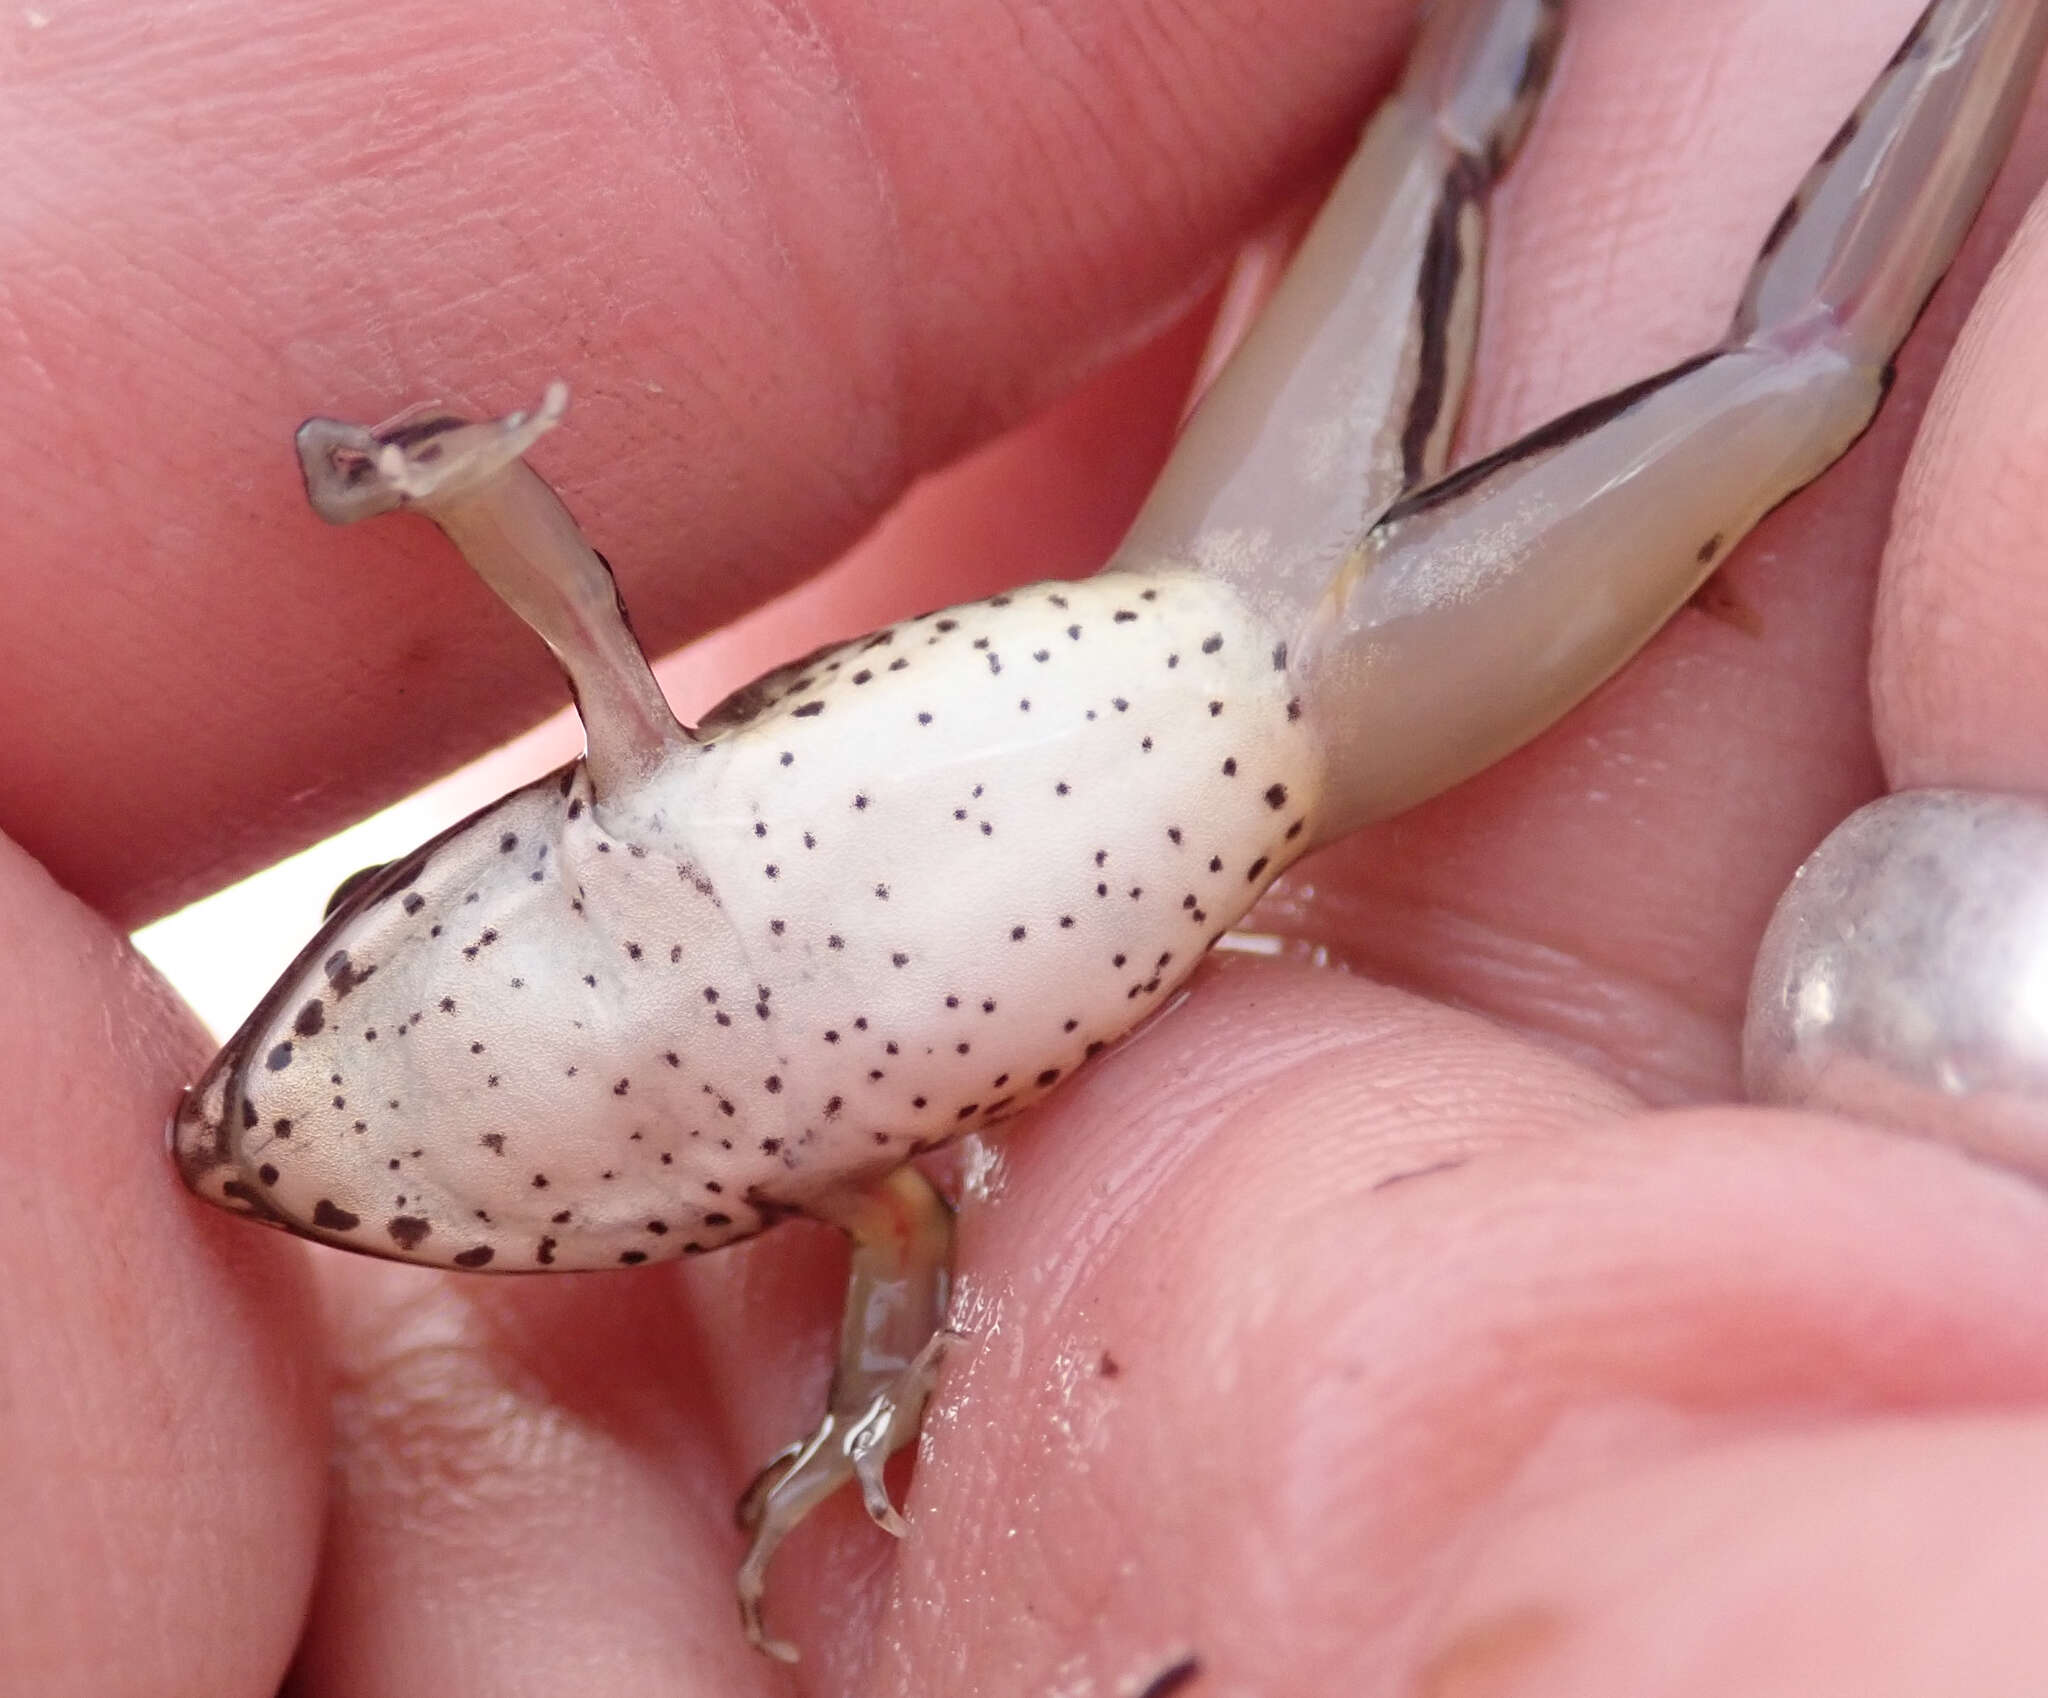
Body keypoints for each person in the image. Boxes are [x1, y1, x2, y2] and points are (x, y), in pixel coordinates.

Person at [6, 0, 2048, 1690]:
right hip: (1305, 738)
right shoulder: (786, 1153)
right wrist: (867, 1411)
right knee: (1783, 375)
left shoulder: (655, 900)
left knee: (1499, 175)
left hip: (1212, 632)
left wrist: (439, 485)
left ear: (418, 919)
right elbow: (897, 1238)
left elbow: (581, 633)